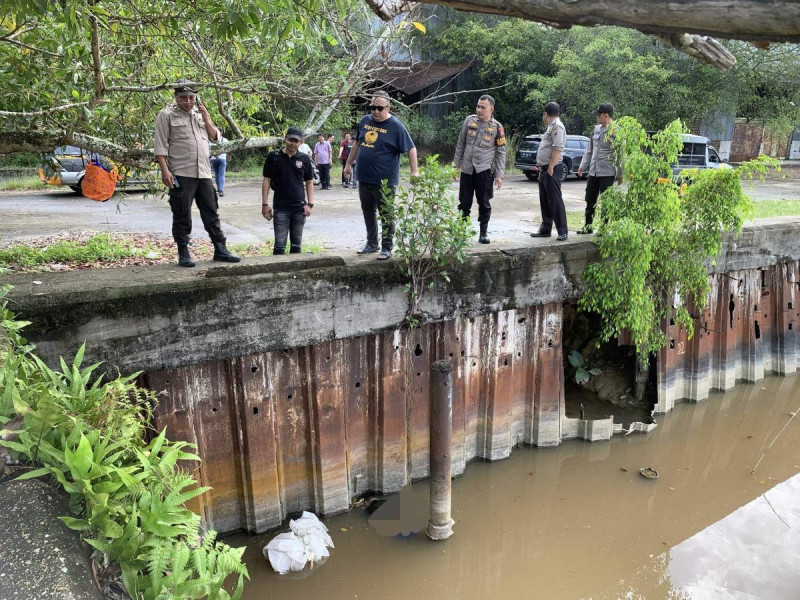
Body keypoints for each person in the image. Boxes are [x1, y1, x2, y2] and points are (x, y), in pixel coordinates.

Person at [154, 79, 240, 267]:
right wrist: (165, 170)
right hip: (181, 172)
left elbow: (216, 139)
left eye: (191, 97)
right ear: (176, 97)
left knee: (211, 211)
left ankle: (220, 249)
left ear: (196, 97)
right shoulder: (166, 114)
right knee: (182, 212)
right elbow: (160, 146)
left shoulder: (200, 114)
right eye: (183, 97)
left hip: (204, 173)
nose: (188, 101)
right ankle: (183, 252)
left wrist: (208, 120)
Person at [344, 91, 418, 260]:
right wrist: (348, 164)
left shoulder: (396, 126)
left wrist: (415, 171)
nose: (375, 111)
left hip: (384, 181)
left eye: (379, 108)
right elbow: (356, 144)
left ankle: (386, 247)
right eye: (372, 107)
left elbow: (411, 148)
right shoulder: (364, 121)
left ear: (388, 107)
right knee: (367, 211)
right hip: (364, 177)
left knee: (386, 213)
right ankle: (371, 243)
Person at [452, 94, 507, 244]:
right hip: (467, 169)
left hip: (484, 171)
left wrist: (499, 174)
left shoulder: (497, 127)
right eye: (478, 106)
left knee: (484, 203)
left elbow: (501, 152)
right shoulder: (469, 121)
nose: (479, 110)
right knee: (464, 202)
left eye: (483, 107)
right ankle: (461, 232)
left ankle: (483, 233)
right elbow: (461, 144)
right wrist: (455, 166)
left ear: (491, 109)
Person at [261, 126, 315, 255]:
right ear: (285, 139)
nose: (293, 143)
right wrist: (265, 204)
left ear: (301, 142)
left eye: (296, 141)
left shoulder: (304, 159)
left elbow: (309, 182)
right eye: (291, 140)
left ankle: (295, 274)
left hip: (299, 208)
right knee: (279, 246)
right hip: (281, 208)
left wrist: (310, 204)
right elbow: (266, 180)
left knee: (296, 245)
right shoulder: (273, 157)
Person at [577, 103, 622, 234]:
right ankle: (588, 226)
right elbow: (589, 150)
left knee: (606, 202)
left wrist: (620, 175)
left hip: (607, 172)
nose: (597, 117)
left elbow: (620, 154)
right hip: (594, 171)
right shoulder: (596, 129)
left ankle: (604, 228)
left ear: (606, 115)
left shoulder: (616, 131)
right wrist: (582, 165)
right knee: (590, 199)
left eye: (598, 115)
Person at [530, 101, 569, 241]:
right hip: (545, 169)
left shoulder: (557, 127)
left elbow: (557, 148)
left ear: (545, 114)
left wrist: (551, 166)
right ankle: (546, 229)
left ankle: (562, 231)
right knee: (545, 201)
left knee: (555, 201)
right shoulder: (551, 127)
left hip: (552, 168)